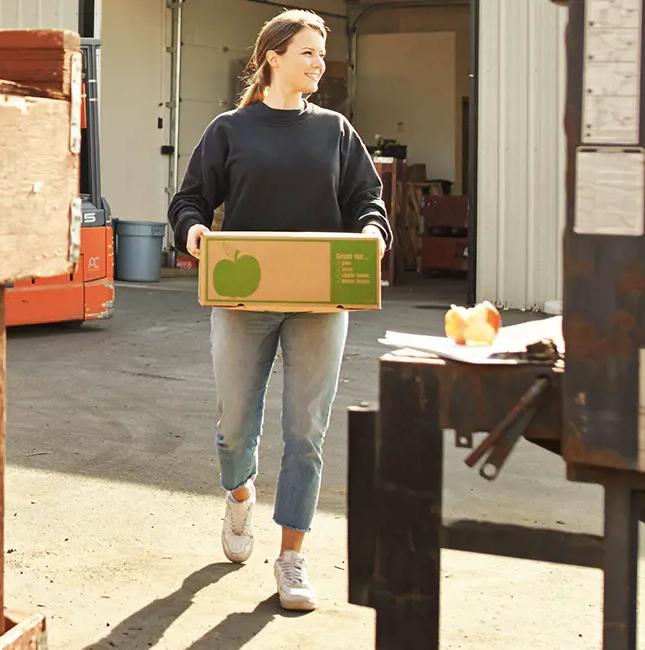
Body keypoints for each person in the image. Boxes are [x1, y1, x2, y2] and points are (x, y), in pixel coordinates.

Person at [166, 8, 392, 612]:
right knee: (237, 423)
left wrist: (372, 232)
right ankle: (240, 496)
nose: (320, 63)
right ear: (273, 57)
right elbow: (189, 201)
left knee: (306, 433)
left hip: (320, 301)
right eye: (309, 53)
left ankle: (291, 556)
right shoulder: (230, 131)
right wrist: (193, 234)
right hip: (244, 297)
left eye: (321, 54)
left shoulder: (336, 131)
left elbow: (368, 200)